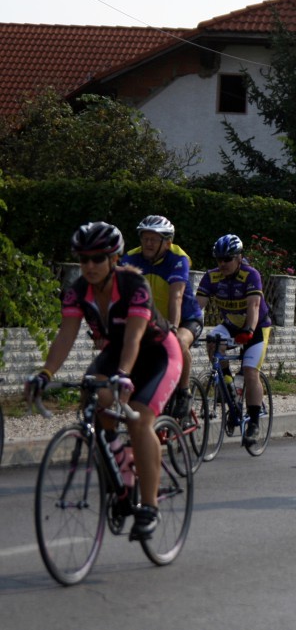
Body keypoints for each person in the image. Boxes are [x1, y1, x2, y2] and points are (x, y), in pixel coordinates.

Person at [25, 222, 182, 540]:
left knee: (140, 422)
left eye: (97, 258)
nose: (89, 266)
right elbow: (66, 336)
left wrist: (123, 375)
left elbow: (135, 337)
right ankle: (123, 476)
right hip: (115, 351)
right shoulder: (77, 289)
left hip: (156, 354)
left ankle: (149, 507)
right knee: (92, 401)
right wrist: (46, 373)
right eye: (83, 259)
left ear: (114, 259)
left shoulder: (134, 285)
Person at [121, 215, 203, 420]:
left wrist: (173, 328)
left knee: (178, 342)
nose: (147, 243)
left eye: (153, 239)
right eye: (144, 238)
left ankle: (184, 392)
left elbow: (176, 296)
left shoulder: (178, 259)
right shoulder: (131, 258)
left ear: (167, 243)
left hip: (186, 318)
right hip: (152, 320)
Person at [196, 234, 272, 446]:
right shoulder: (211, 277)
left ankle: (254, 423)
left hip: (256, 327)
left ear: (239, 258)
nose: (222, 264)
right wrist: (186, 327)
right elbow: (196, 306)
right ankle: (230, 390)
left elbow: (254, 306)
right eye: (219, 259)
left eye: (227, 259)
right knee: (213, 340)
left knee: (250, 372)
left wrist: (248, 329)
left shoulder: (250, 275)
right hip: (230, 324)